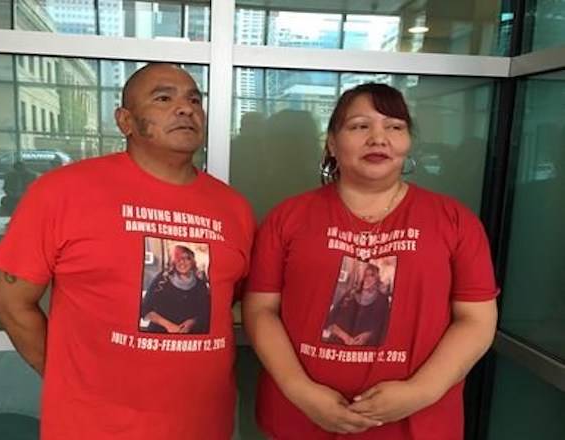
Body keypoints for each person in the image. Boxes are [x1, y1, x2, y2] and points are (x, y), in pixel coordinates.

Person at [0, 63, 255, 439]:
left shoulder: (233, 208)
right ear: (125, 121)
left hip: (203, 425)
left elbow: (229, 301)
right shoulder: (63, 192)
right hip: (93, 427)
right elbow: (12, 304)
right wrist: (70, 380)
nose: (186, 108)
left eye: (194, 99)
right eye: (164, 98)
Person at [243, 83, 498, 439]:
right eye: (360, 126)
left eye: (394, 126)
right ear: (332, 142)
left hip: (416, 422)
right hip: (301, 417)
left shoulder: (454, 220)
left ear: (408, 142)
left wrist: (420, 391)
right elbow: (261, 310)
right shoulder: (289, 217)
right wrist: (300, 389)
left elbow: (477, 320)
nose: (379, 138)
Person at [141, 245, 210, 334]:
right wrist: (169, 325)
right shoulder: (162, 279)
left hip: (189, 337)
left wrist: (193, 322)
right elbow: (145, 309)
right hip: (159, 334)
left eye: (187, 258)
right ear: (173, 261)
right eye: (178, 258)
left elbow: (205, 312)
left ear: (192, 261)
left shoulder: (201, 285)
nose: (182, 262)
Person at [324, 264, 390, 347]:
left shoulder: (382, 300)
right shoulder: (349, 295)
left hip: (365, 349)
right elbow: (329, 320)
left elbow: (384, 327)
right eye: (365, 275)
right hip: (338, 344)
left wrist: (368, 335)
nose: (367, 279)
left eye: (371, 275)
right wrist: (345, 337)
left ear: (377, 278)